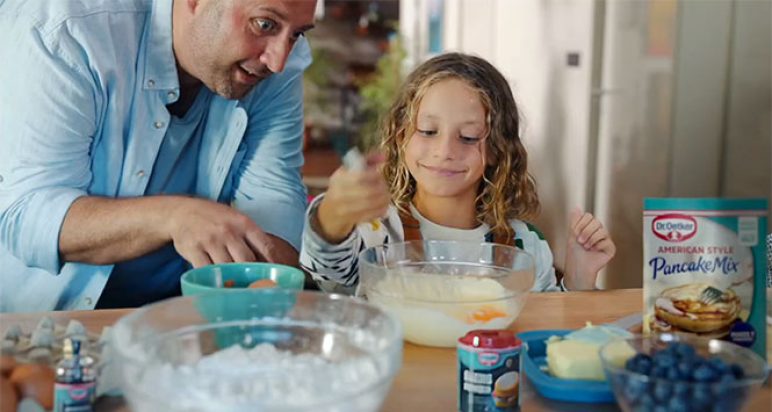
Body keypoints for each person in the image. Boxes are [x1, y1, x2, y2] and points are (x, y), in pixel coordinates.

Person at [0, 0, 318, 312]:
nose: (278, 60)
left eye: (297, 33)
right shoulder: (66, 28)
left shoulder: (277, 60)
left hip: (176, 321)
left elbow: (273, 201)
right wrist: (173, 217)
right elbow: (26, 215)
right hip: (36, 324)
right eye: (264, 24)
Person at [300, 53, 616, 292]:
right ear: (401, 137)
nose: (445, 150)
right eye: (427, 131)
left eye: (467, 137)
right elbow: (327, 269)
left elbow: (547, 333)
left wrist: (578, 280)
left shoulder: (524, 246)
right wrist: (333, 215)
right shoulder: (377, 232)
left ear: (496, 149)